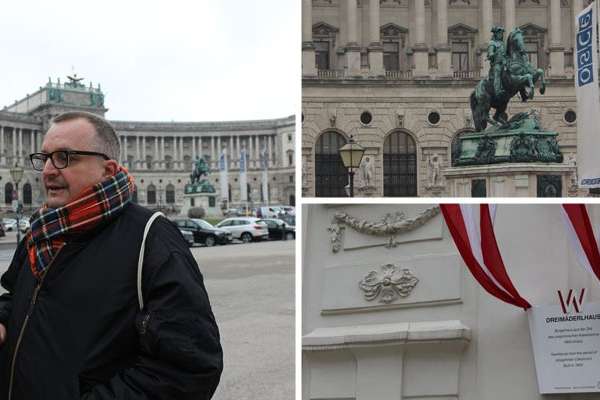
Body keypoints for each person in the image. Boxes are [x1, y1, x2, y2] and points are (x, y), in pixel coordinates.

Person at [0, 111, 223, 399]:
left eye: (65, 157)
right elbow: (19, 297)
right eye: (45, 158)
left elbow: (190, 368)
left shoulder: (151, 237)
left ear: (108, 169)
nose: (48, 171)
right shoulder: (41, 230)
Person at [487, 26, 506, 98]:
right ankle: (497, 91)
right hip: (497, 63)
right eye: (499, 33)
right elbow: (490, 52)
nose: (501, 35)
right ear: (495, 34)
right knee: (497, 73)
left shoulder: (502, 43)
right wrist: (491, 54)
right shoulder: (492, 43)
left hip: (505, 63)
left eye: (501, 33)